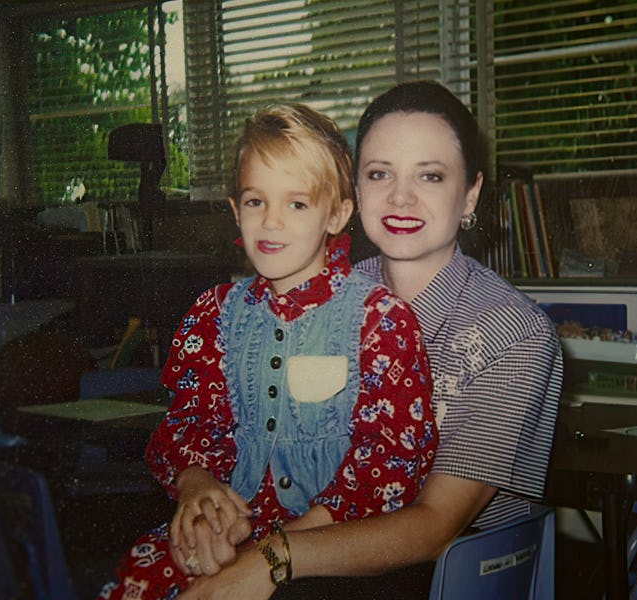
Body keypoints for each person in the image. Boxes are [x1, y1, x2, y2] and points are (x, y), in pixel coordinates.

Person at [176, 80, 563, 600]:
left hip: (446, 574)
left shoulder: (513, 332)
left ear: (470, 193)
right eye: (380, 174)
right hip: (313, 548)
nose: (401, 197)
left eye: (430, 175)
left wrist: (264, 561)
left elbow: (435, 527)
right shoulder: (324, 302)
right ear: (353, 193)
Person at [98, 103, 437, 600]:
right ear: (237, 209)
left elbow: (389, 463)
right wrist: (198, 493)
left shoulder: (380, 321)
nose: (272, 222)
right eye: (257, 202)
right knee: (141, 578)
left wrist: (269, 550)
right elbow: (190, 424)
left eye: (297, 204)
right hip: (234, 531)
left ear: (338, 214)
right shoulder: (215, 313)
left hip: (331, 543)